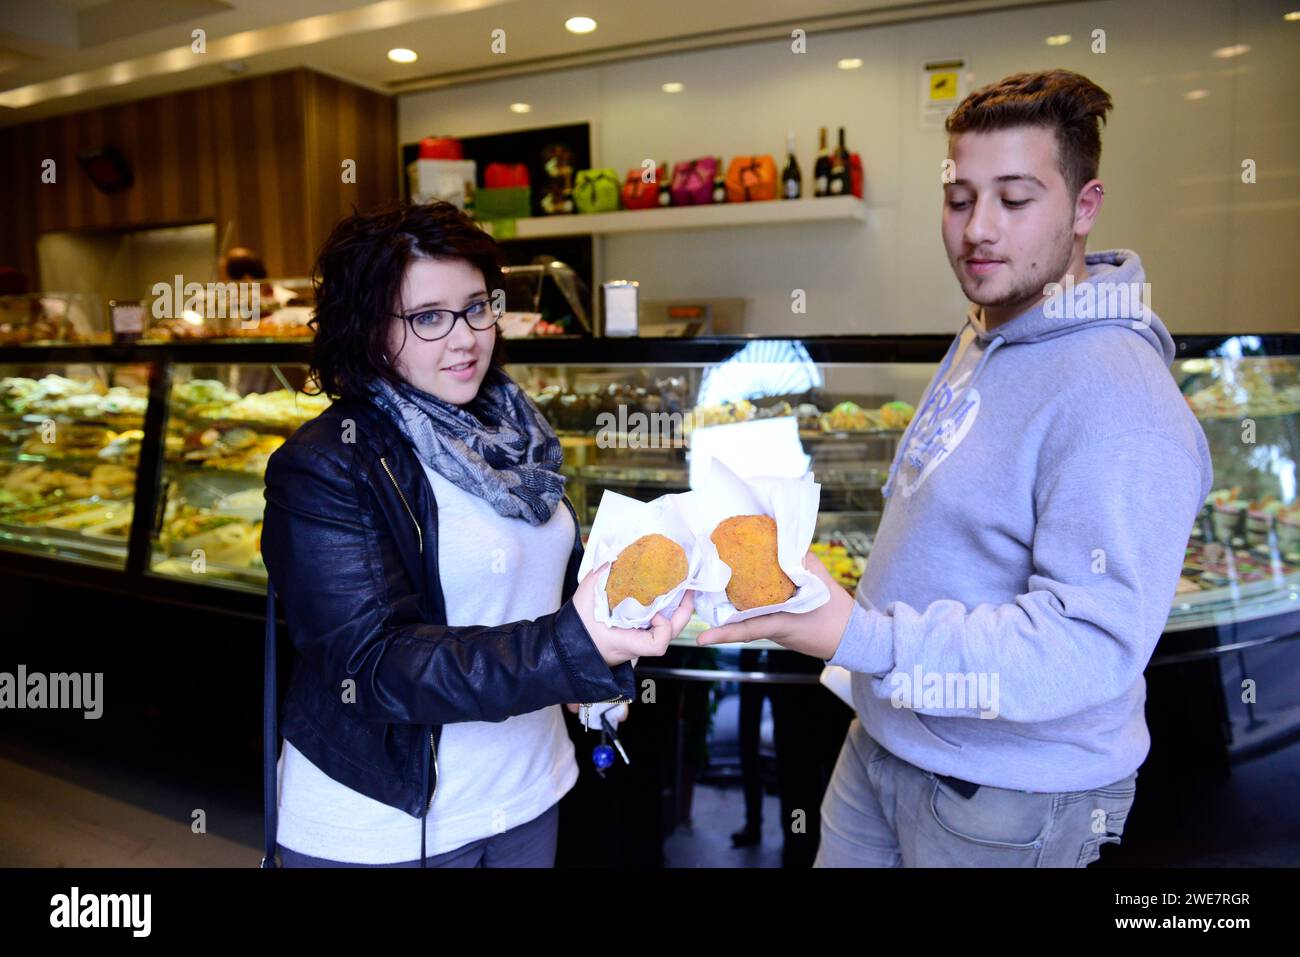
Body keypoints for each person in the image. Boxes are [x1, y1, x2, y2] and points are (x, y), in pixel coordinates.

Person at [698, 69, 1213, 867]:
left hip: (1006, 797)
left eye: (1014, 199)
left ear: (1084, 207)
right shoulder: (988, 326)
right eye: (960, 198)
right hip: (885, 740)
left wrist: (860, 634)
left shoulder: (1121, 397)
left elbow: (1088, 645)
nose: (978, 229)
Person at [261, 201, 692, 867]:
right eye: (428, 317)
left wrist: (602, 644)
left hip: (529, 790)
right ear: (370, 327)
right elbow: (374, 666)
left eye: (476, 307)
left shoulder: (517, 431)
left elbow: (542, 588)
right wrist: (569, 647)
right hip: (387, 825)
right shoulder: (327, 463)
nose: (465, 337)